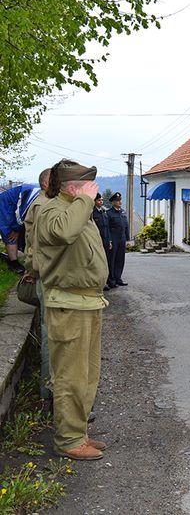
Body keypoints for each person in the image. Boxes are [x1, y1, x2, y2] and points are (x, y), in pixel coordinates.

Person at [34, 159, 109, 460]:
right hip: (69, 304)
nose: (94, 189)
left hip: (87, 302)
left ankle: (79, 432)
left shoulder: (77, 209)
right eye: (88, 184)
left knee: (87, 374)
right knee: (70, 376)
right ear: (73, 187)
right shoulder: (52, 209)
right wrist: (84, 201)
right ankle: (68, 440)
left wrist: (83, 203)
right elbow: (63, 232)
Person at [21, 169, 52, 399]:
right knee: (50, 336)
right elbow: (35, 244)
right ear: (46, 183)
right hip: (47, 275)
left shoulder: (43, 203)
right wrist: (32, 270)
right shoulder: (43, 206)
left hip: (44, 273)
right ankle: (48, 393)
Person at [0, 183, 39, 274]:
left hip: (14, 204)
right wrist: (16, 229)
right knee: (10, 233)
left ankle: (18, 253)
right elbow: (20, 212)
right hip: (5, 204)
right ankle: (13, 263)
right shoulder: (34, 194)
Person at [106, 192, 129, 287]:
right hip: (113, 237)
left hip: (122, 238)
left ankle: (118, 278)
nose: (120, 202)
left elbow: (126, 226)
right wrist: (109, 240)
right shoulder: (109, 213)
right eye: (117, 201)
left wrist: (127, 239)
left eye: (120, 200)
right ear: (113, 202)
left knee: (120, 259)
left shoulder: (122, 212)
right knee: (112, 259)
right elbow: (107, 228)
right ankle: (111, 280)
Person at [92, 194, 113, 291]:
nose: (101, 202)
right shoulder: (92, 212)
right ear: (94, 201)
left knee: (105, 262)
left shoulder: (103, 212)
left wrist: (109, 241)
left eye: (102, 200)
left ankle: (105, 281)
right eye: (99, 200)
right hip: (96, 241)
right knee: (97, 262)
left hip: (105, 240)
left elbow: (107, 228)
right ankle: (98, 282)